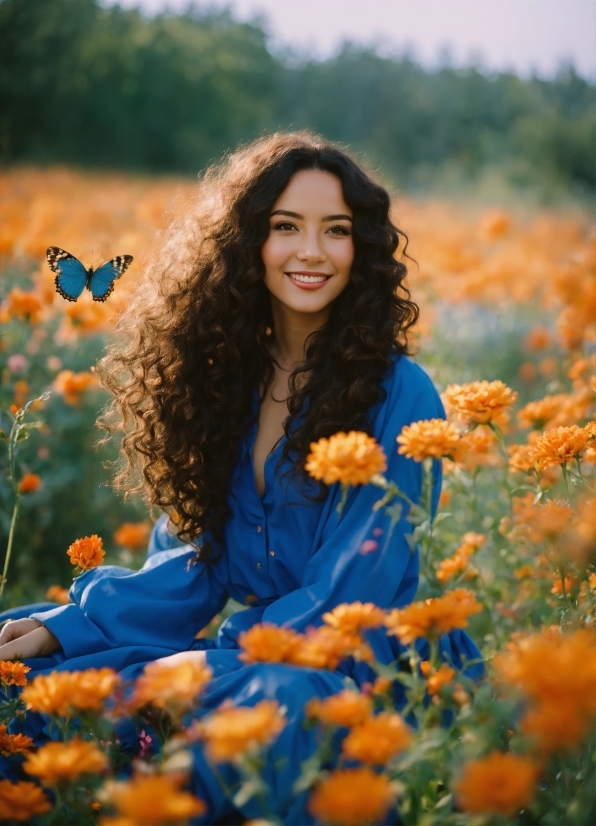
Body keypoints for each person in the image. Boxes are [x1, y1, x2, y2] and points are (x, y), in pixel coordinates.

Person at [0, 132, 482, 824]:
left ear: (362, 250)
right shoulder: (226, 383)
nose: (311, 251)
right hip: (250, 663)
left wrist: (209, 662)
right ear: (246, 243)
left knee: (274, 708)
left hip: (354, 674)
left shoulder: (401, 395)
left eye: (336, 231)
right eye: (285, 227)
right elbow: (195, 563)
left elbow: (353, 595)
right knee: (24, 673)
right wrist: (71, 624)